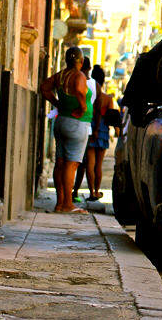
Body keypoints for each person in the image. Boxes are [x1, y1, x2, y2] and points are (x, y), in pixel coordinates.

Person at [40, 47, 93, 214]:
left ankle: (60, 203)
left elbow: (44, 87)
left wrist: (56, 103)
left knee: (60, 162)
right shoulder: (79, 75)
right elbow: (78, 89)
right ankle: (68, 204)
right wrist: (83, 107)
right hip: (77, 124)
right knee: (72, 164)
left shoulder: (60, 75)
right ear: (81, 62)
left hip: (61, 121)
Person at [85, 66, 113, 201]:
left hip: (90, 129)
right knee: (99, 165)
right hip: (103, 132)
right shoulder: (108, 99)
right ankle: (97, 191)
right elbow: (111, 117)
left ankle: (91, 192)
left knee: (90, 163)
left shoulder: (90, 96)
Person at [72, 57, 97, 203]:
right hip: (87, 124)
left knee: (69, 161)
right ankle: (75, 191)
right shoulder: (94, 84)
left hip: (75, 118)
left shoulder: (76, 80)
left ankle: (68, 194)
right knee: (81, 162)